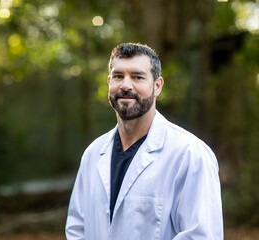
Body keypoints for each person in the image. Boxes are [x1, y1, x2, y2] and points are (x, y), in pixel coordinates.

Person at [65, 43, 223, 239]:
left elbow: (201, 235)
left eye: (137, 77)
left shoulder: (190, 154)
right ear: (109, 82)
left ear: (157, 86)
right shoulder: (93, 153)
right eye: (118, 76)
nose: (125, 85)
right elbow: (77, 229)